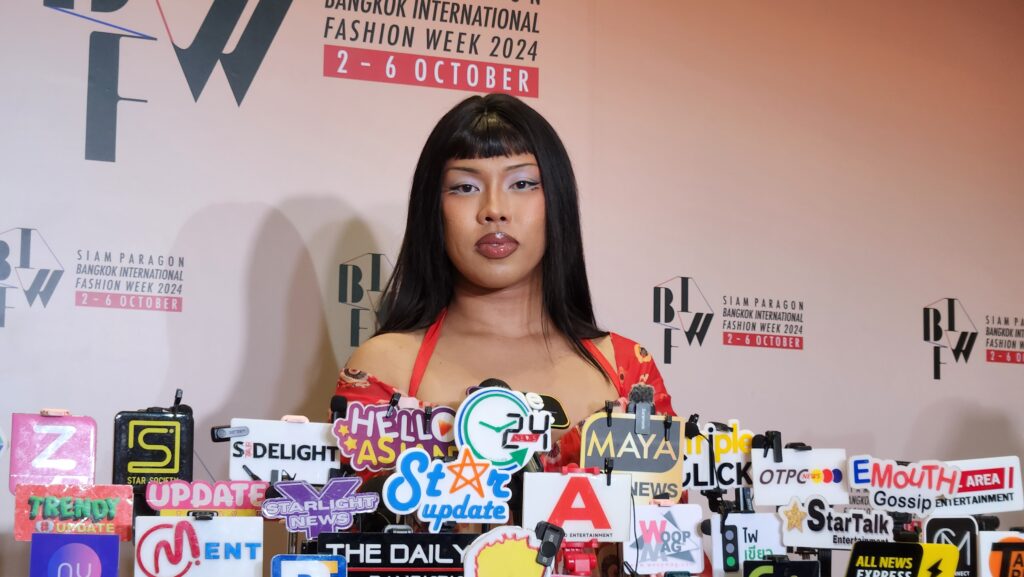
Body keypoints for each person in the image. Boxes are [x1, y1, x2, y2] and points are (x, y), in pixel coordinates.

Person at [335, 93, 674, 468]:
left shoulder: (628, 370)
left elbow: (665, 503)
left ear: (557, 199)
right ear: (432, 208)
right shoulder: (384, 367)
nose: (494, 210)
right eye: (465, 187)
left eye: (523, 183)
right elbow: (357, 504)